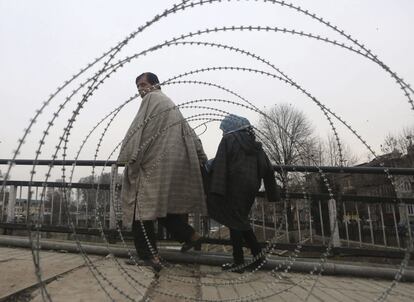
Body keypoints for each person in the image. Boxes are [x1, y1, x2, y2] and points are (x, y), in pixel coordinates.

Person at [117, 72, 207, 271]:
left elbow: (137, 131)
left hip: (151, 167)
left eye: (143, 84)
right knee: (160, 209)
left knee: (140, 211)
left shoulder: (151, 99)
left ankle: (150, 256)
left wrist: (127, 157)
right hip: (171, 167)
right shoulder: (170, 103)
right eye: (138, 86)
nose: (140, 89)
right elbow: (190, 134)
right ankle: (191, 235)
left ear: (155, 84)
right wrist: (201, 158)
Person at [207, 114, 280, 273]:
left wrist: (215, 187)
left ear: (230, 127)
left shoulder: (228, 140)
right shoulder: (256, 145)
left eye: (223, 129)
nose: (223, 133)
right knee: (240, 221)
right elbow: (268, 169)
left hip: (233, 185)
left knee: (235, 222)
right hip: (250, 187)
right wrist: (272, 193)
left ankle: (239, 262)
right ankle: (258, 258)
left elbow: (220, 163)